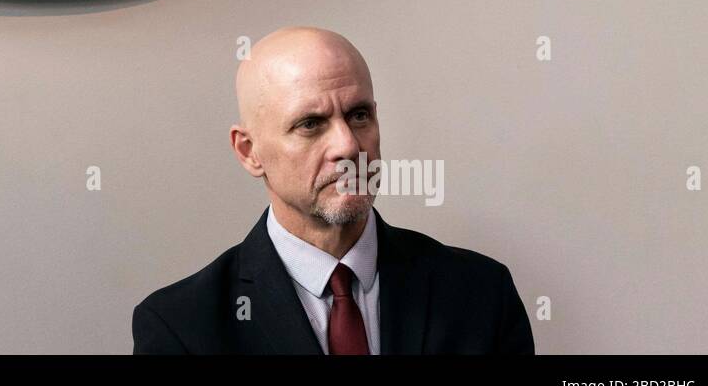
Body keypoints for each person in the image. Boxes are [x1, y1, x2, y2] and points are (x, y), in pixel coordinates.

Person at [132, 27, 534, 354]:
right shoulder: (182, 328)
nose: (347, 146)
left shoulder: (481, 293)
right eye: (310, 124)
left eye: (359, 115)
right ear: (250, 152)